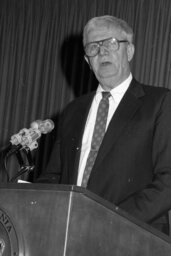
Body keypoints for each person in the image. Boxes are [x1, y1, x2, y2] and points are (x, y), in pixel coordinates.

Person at [37, 15, 171, 235]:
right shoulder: (73, 111)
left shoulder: (160, 103)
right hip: (71, 235)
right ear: (87, 61)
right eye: (93, 47)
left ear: (129, 51)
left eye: (111, 43)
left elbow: (168, 181)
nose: (102, 52)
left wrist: (107, 220)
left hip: (133, 236)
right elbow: (54, 176)